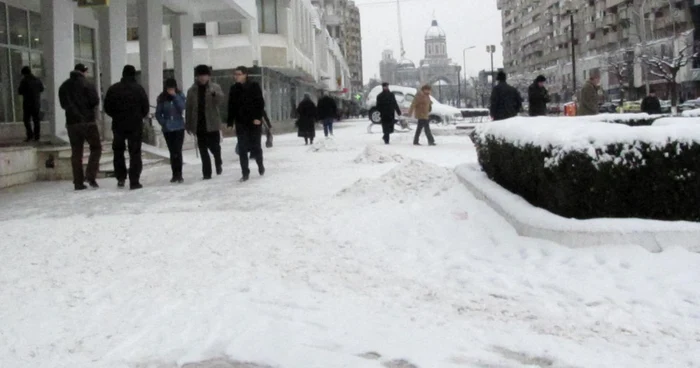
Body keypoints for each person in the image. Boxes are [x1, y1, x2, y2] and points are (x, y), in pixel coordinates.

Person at [103, 65, 150, 190]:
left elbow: (107, 107)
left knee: (118, 151)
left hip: (118, 124)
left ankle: (120, 177)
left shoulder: (113, 89)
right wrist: (139, 116)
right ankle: (134, 180)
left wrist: (116, 115)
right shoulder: (138, 89)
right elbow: (145, 107)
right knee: (135, 152)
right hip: (135, 124)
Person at [58, 64, 101, 191]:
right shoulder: (87, 84)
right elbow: (95, 101)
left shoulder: (64, 86)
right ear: (84, 72)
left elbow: (63, 104)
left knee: (76, 152)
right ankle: (90, 175)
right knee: (96, 148)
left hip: (72, 123)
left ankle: (78, 182)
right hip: (88, 122)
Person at [227, 66, 265, 182]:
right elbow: (231, 106)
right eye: (235, 74)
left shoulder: (254, 86)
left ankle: (260, 165)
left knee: (256, 146)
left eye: (239, 74)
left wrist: (258, 117)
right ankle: (245, 172)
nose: (236, 76)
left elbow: (260, 103)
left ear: (245, 75)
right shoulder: (234, 89)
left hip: (254, 121)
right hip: (241, 122)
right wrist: (230, 122)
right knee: (242, 148)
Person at [186, 65, 225, 180]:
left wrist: (214, 94)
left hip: (212, 123)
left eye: (205, 76)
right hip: (199, 123)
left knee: (215, 147)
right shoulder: (192, 90)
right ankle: (206, 173)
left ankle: (218, 161)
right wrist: (188, 123)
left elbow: (220, 100)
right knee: (203, 149)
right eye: (200, 76)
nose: (203, 78)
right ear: (197, 77)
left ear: (208, 76)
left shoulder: (215, 87)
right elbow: (189, 107)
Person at [156, 78, 187, 183]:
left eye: (172, 88)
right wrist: (163, 122)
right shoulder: (162, 98)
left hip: (179, 127)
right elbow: (158, 113)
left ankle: (180, 174)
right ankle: (174, 174)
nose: (170, 90)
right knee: (172, 151)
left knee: (178, 150)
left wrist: (175, 96)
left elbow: (182, 107)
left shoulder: (180, 96)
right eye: (169, 88)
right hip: (168, 128)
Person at [18, 66, 44, 142]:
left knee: (26, 120)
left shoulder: (24, 81)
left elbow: (20, 91)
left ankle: (30, 135)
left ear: (24, 73)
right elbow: (41, 89)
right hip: (36, 103)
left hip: (27, 103)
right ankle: (37, 137)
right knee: (36, 120)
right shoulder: (37, 79)